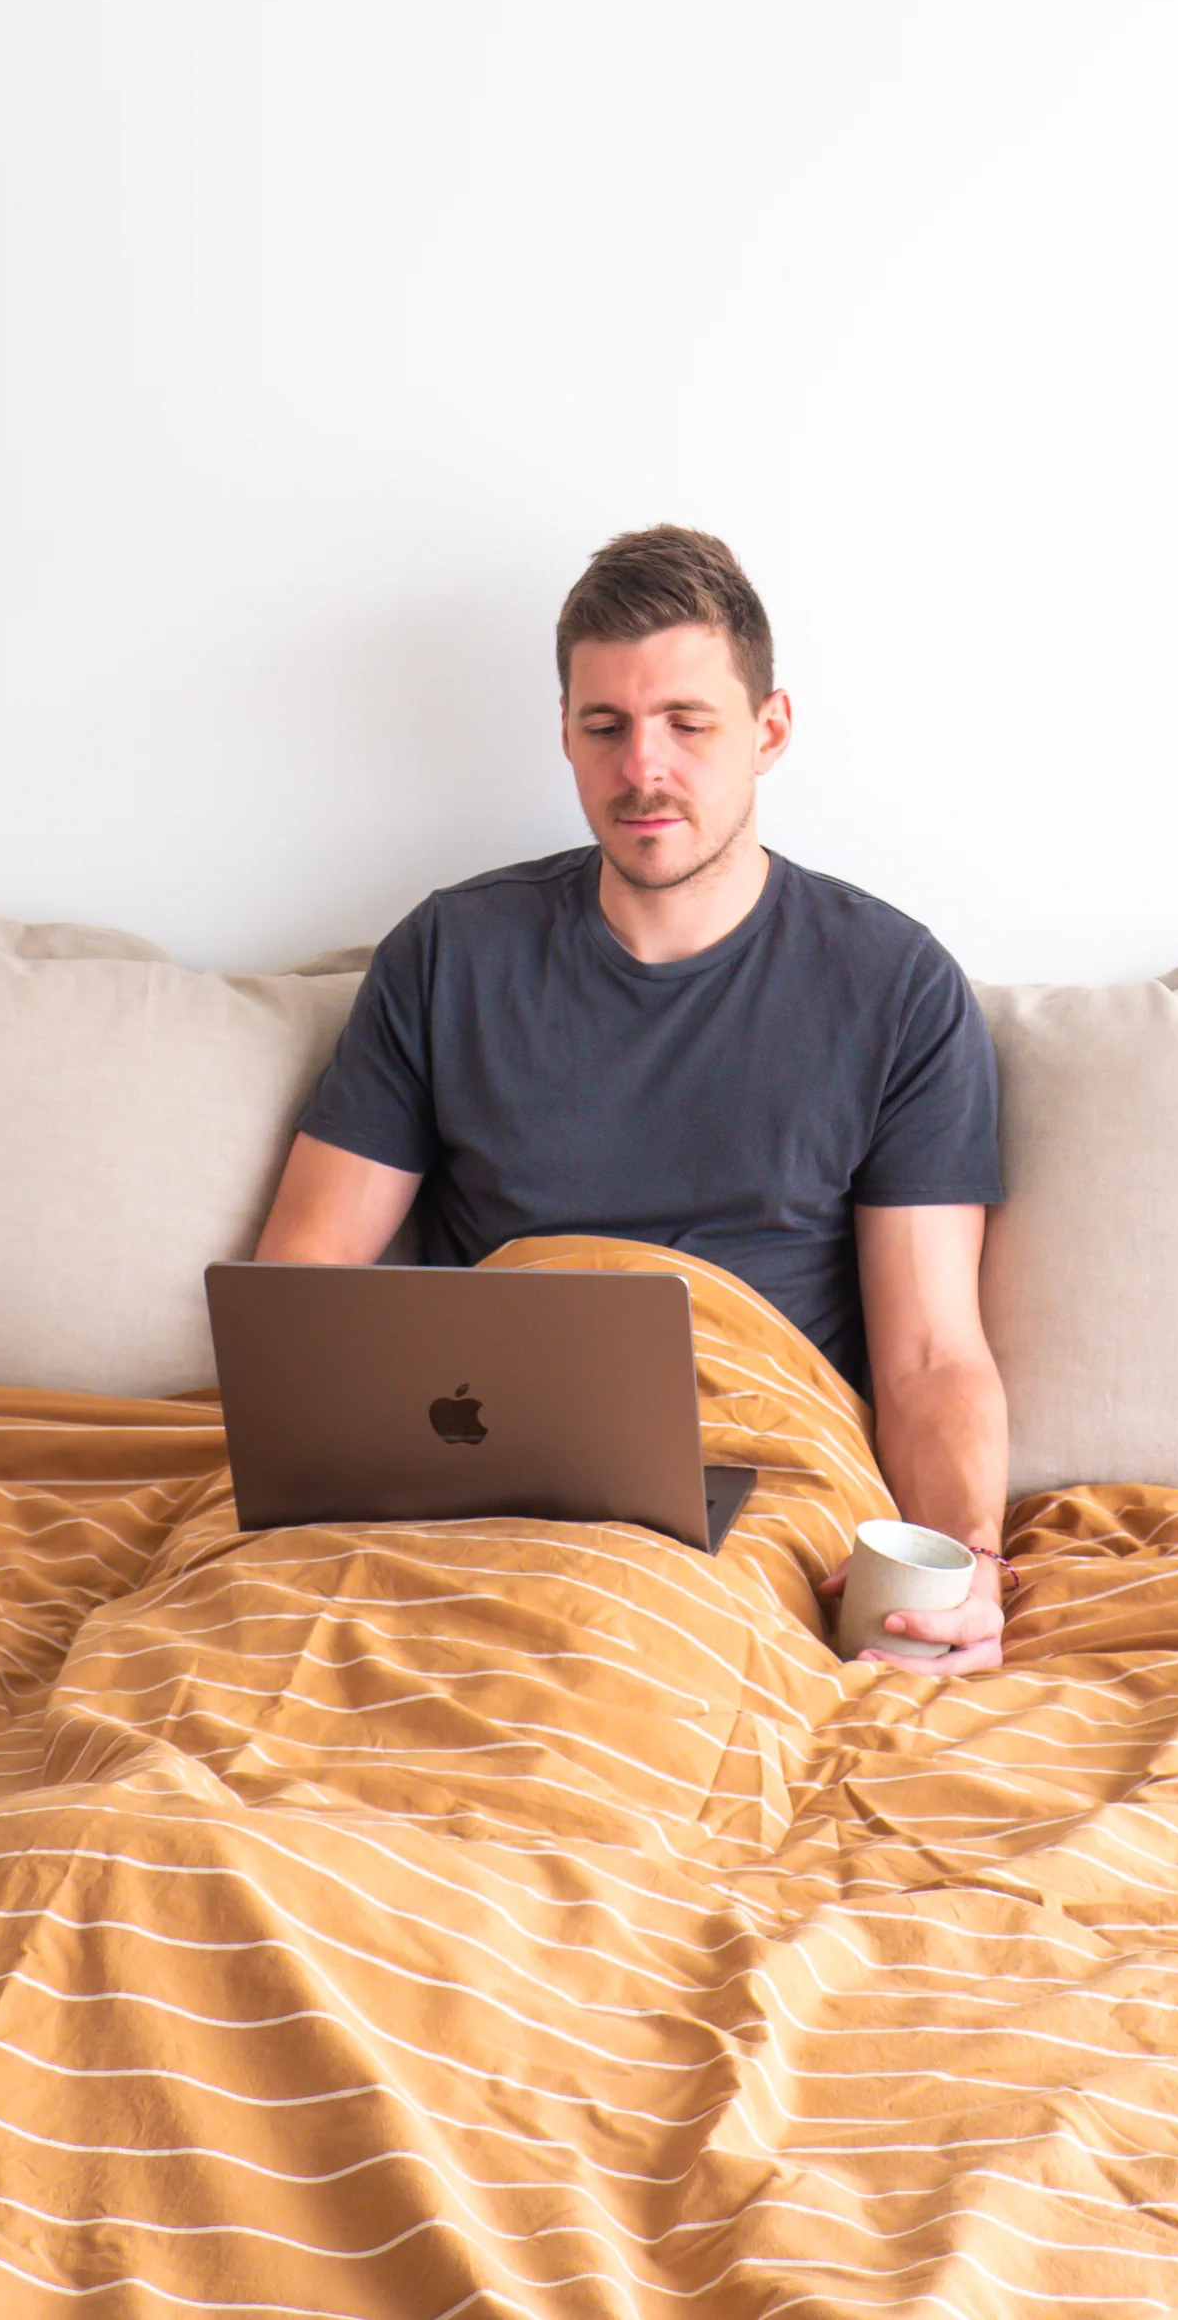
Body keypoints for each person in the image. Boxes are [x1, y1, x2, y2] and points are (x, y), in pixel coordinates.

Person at [255, 525, 1012, 1673]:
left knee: (618, 1655)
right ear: (564, 732)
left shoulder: (895, 987)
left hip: (755, 1460)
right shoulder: (450, 952)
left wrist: (967, 1561)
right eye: (604, 726)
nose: (641, 767)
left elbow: (929, 1358)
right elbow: (303, 1282)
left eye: (687, 724)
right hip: (490, 1455)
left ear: (768, 731)